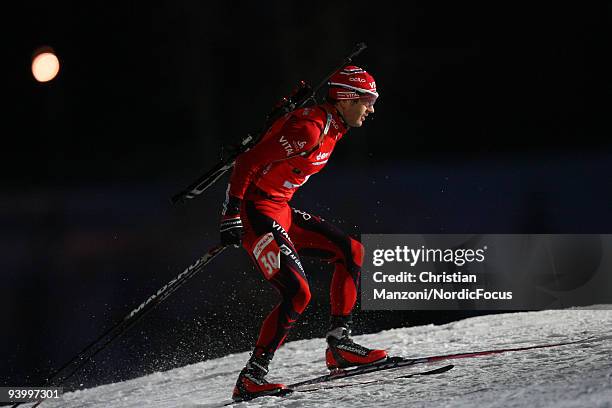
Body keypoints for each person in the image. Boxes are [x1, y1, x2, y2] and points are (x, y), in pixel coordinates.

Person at [219, 66, 387, 401]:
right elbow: (247, 162)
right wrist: (231, 216)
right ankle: (251, 377)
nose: (371, 108)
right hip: (257, 212)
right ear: (345, 98)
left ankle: (340, 346)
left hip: (280, 209)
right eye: (366, 100)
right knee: (298, 294)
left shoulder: (334, 126)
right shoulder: (310, 129)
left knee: (351, 251)